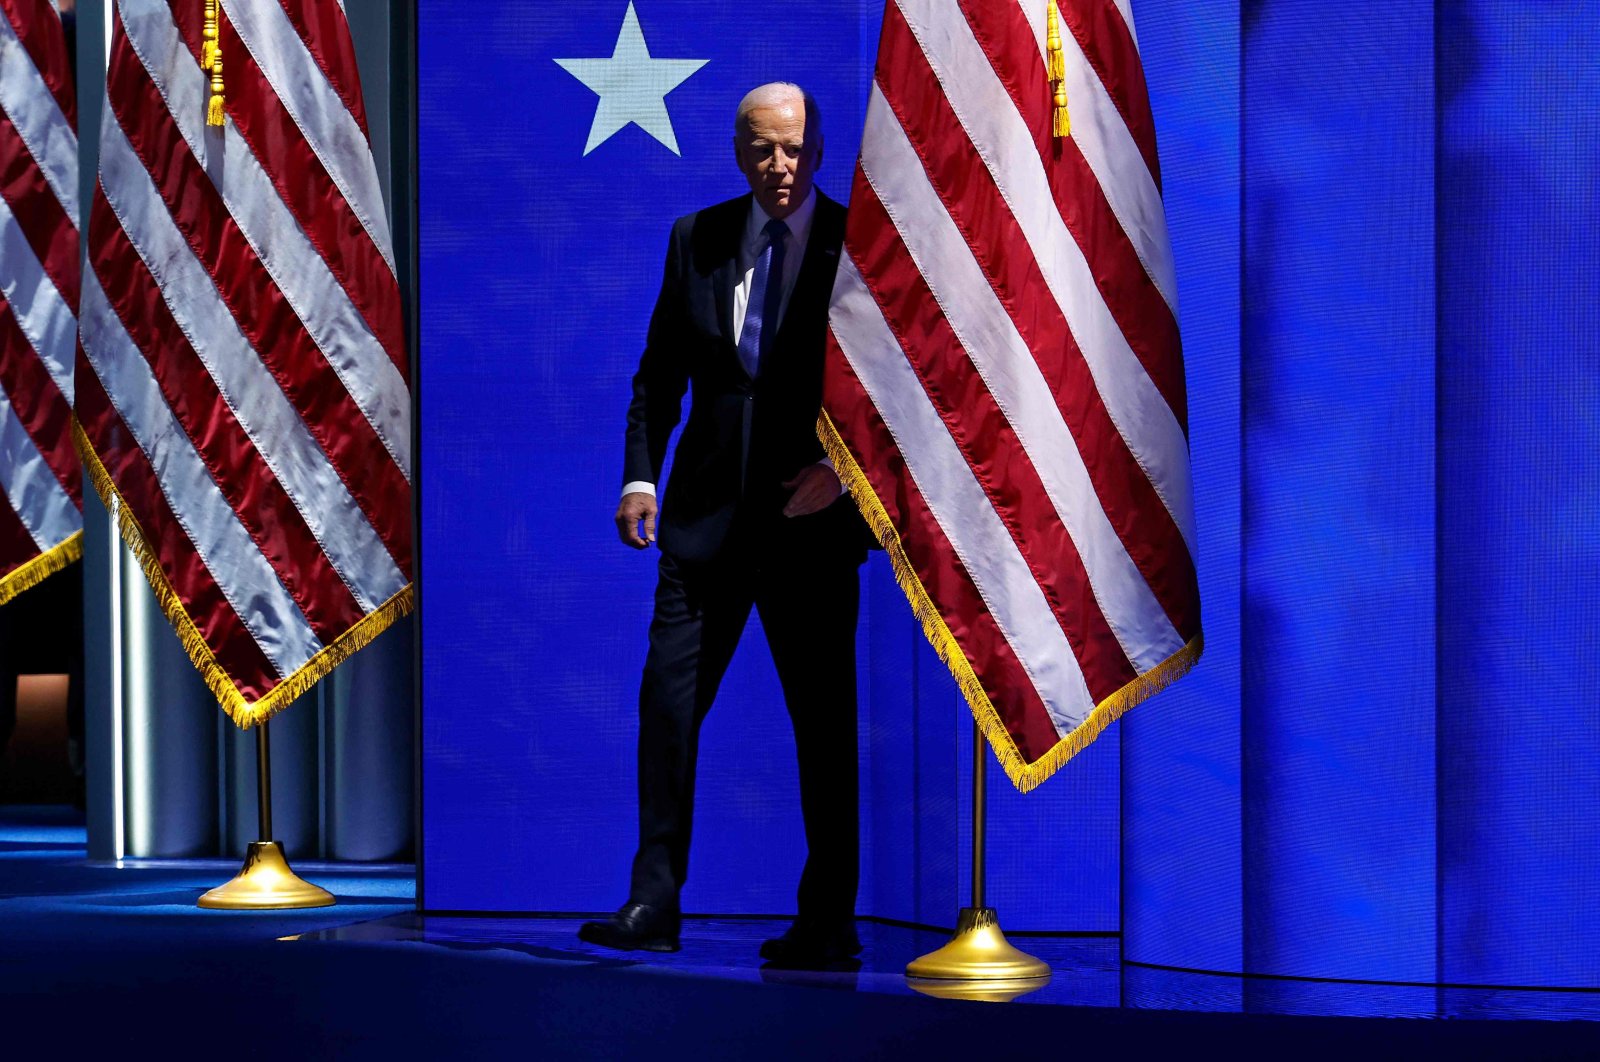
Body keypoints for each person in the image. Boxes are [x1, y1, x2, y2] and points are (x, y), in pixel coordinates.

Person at [579, 83, 867, 964]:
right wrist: (640, 477)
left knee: (824, 729)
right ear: (738, 153)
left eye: (794, 148)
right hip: (701, 532)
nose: (779, 167)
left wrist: (843, 473)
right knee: (665, 710)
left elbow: (900, 392)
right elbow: (658, 374)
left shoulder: (863, 246)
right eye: (762, 149)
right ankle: (652, 904)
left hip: (810, 532)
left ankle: (827, 923)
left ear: (818, 150)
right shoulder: (695, 238)